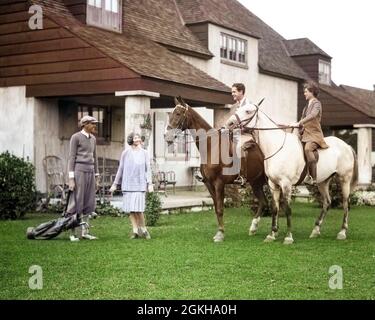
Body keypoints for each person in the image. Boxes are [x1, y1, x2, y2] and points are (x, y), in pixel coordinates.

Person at [109, 132, 153, 239]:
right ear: (131, 140)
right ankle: (135, 231)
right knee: (131, 210)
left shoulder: (145, 153)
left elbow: (148, 169)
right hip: (128, 185)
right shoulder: (125, 153)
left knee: (139, 209)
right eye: (135, 137)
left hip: (139, 185)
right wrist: (115, 184)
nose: (138, 139)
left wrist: (150, 184)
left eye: (138, 137)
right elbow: (121, 169)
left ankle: (144, 230)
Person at [67, 115, 100, 241]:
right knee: (76, 202)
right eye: (92, 123)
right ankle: (73, 233)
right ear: (85, 124)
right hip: (79, 171)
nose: (94, 126)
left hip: (90, 171)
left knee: (89, 202)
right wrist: (71, 179)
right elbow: (71, 158)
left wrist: (97, 177)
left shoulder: (93, 139)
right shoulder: (75, 137)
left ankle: (85, 232)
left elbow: (95, 158)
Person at [290, 81, 329, 185]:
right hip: (305, 134)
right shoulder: (306, 106)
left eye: (306, 91)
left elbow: (312, 115)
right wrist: (295, 125)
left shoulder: (316, 103)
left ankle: (313, 177)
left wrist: (300, 122)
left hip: (314, 135)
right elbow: (302, 120)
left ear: (312, 92)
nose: (304, 93)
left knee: (308, 149)